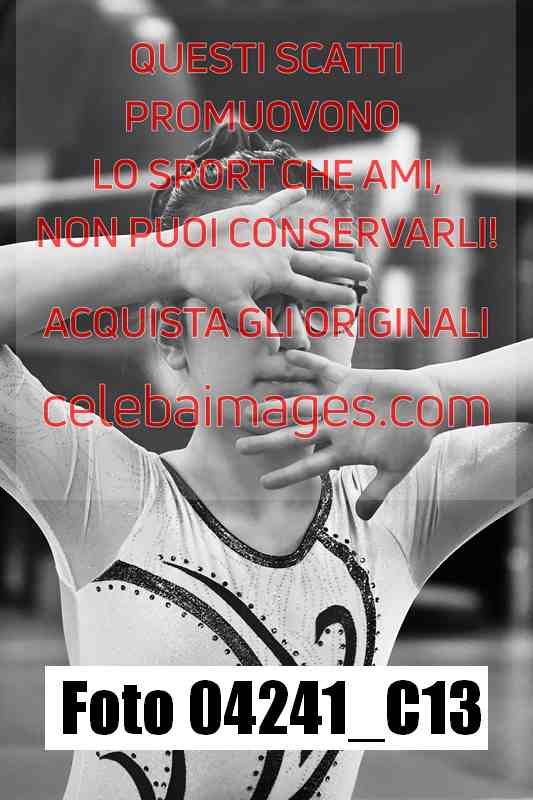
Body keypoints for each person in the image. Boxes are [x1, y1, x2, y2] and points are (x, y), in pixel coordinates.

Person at [0, 124, 531, 800]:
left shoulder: (393, 507)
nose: (295, 334)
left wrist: (434, 394)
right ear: (172, 335)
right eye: (260, 298)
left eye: (325, 297)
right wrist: (169, 258)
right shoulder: (107, 495)